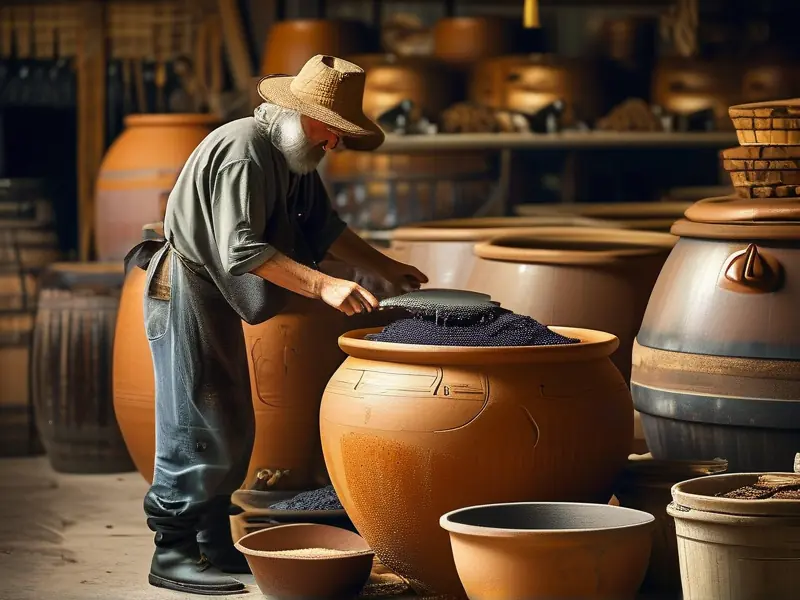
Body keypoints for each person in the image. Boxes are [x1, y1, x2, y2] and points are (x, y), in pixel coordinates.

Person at [124, 55, 428, 595]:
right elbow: (241, 251)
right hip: (186, 286)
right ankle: (170, 550)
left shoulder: (296, 157)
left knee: (231, 421)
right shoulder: (246, 150)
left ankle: (214, 541)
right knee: (194, 421)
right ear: (296, 112)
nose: (333, 145)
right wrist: (324, 285)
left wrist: (384, 266)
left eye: (339, 135)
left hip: (214, 293)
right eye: (329, 130)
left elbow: (326, 228)